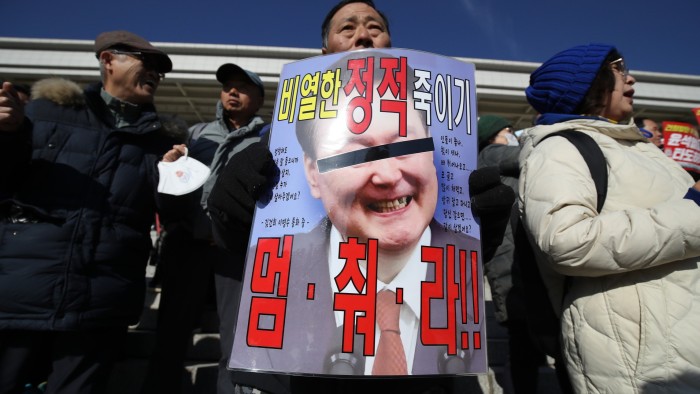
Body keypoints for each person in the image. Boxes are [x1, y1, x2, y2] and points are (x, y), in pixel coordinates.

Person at [208, 1, 512, 392]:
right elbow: (236, 250)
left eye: (407, 145)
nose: (387, 174)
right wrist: (231, 214)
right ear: (312, 173)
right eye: (347, 28)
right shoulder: (277, 143)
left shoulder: (453, 237)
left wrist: (474, 248)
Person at [0, 30, 185, 394]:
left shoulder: (165, 142)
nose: (154, 75)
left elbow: (171, 215)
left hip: (100, 303)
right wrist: (6, 134)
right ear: (108, 60)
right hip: (20, 293)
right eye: (145, 63)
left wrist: (175, 178)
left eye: (159, 72)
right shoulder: (43, 113)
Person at [519, 43, 700, 393]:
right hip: (641, 357)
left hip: (681, 344)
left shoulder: (638, 147)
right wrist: (694, 210)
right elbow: (567, 242)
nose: (630, 77)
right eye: (618, 69)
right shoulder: (560, 148)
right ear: (590, 84)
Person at [140, 62, 269, 394]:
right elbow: (173, 192)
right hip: (190, 246)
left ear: (259, 98)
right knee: (171, 332)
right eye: (227, 87)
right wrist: (169, 170)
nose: (232, 92)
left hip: (236, 252)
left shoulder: (269, 139)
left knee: (234, 338)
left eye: (242, 87)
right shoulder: (195, 135)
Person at [477, 115, 547, 393]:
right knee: (523, 341)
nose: (513, 134)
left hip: (513, 261)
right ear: (494, 135)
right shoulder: (493, 153)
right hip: (513, 263)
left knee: (523, 341)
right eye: (508, 130)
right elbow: (527, 155)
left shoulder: (495, 161)